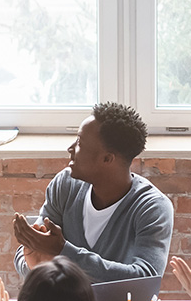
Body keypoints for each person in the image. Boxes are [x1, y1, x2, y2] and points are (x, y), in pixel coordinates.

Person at [12, 102, 173, 283]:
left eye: (80, 142)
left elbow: (145, 279)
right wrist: (35, 262)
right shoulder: (65, 184)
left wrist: (63, 252)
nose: (70, 149)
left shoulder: (152, 207)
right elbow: (29, 254)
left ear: (107, 158)